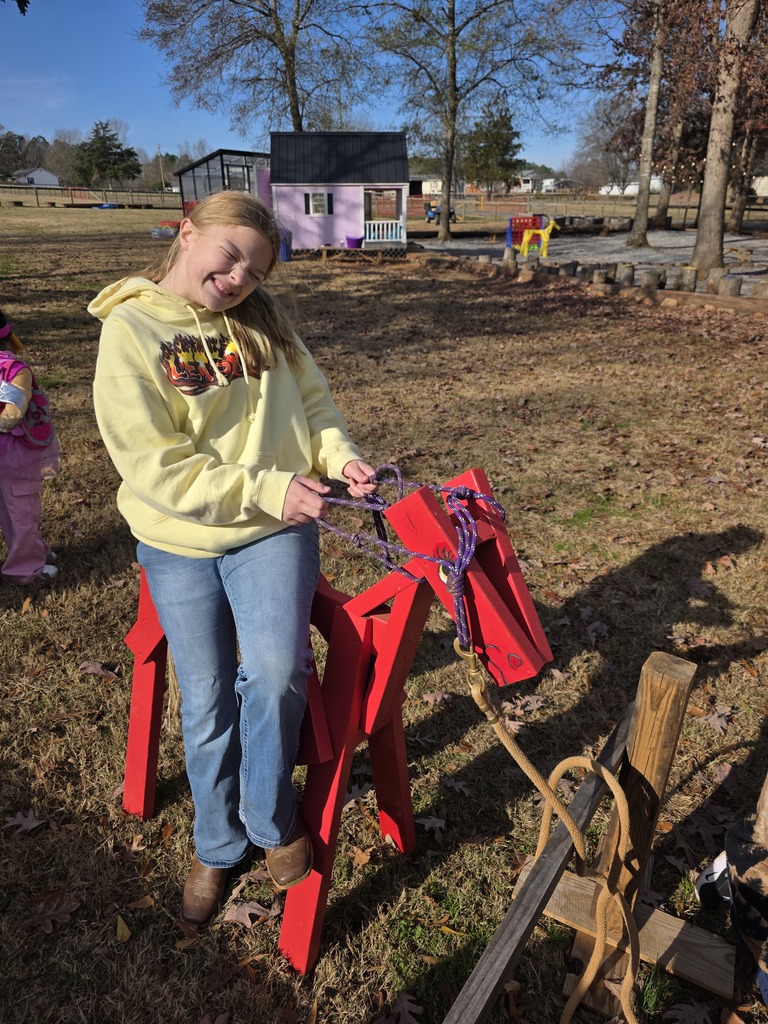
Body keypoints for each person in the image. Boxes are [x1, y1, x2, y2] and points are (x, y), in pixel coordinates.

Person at [89, 191, 377, 927]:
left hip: (272, 530)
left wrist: (340, 459)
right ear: (188, 234)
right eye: (231, 253)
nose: (241, 275)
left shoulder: (263, 322)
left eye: (256, 268)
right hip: (181, 538)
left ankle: (269, 818)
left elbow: (314, 407)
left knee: (277, 672)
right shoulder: (131, 329)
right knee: (208, 696)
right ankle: (215, 845)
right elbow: (154, 466)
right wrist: (271, 487)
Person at [0, 309, 59, 585]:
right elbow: (15, 411)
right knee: (22, 510)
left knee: (9, 509)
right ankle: (25, 569)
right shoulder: (13, 369)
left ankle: (36, 551)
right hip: (13, 453)